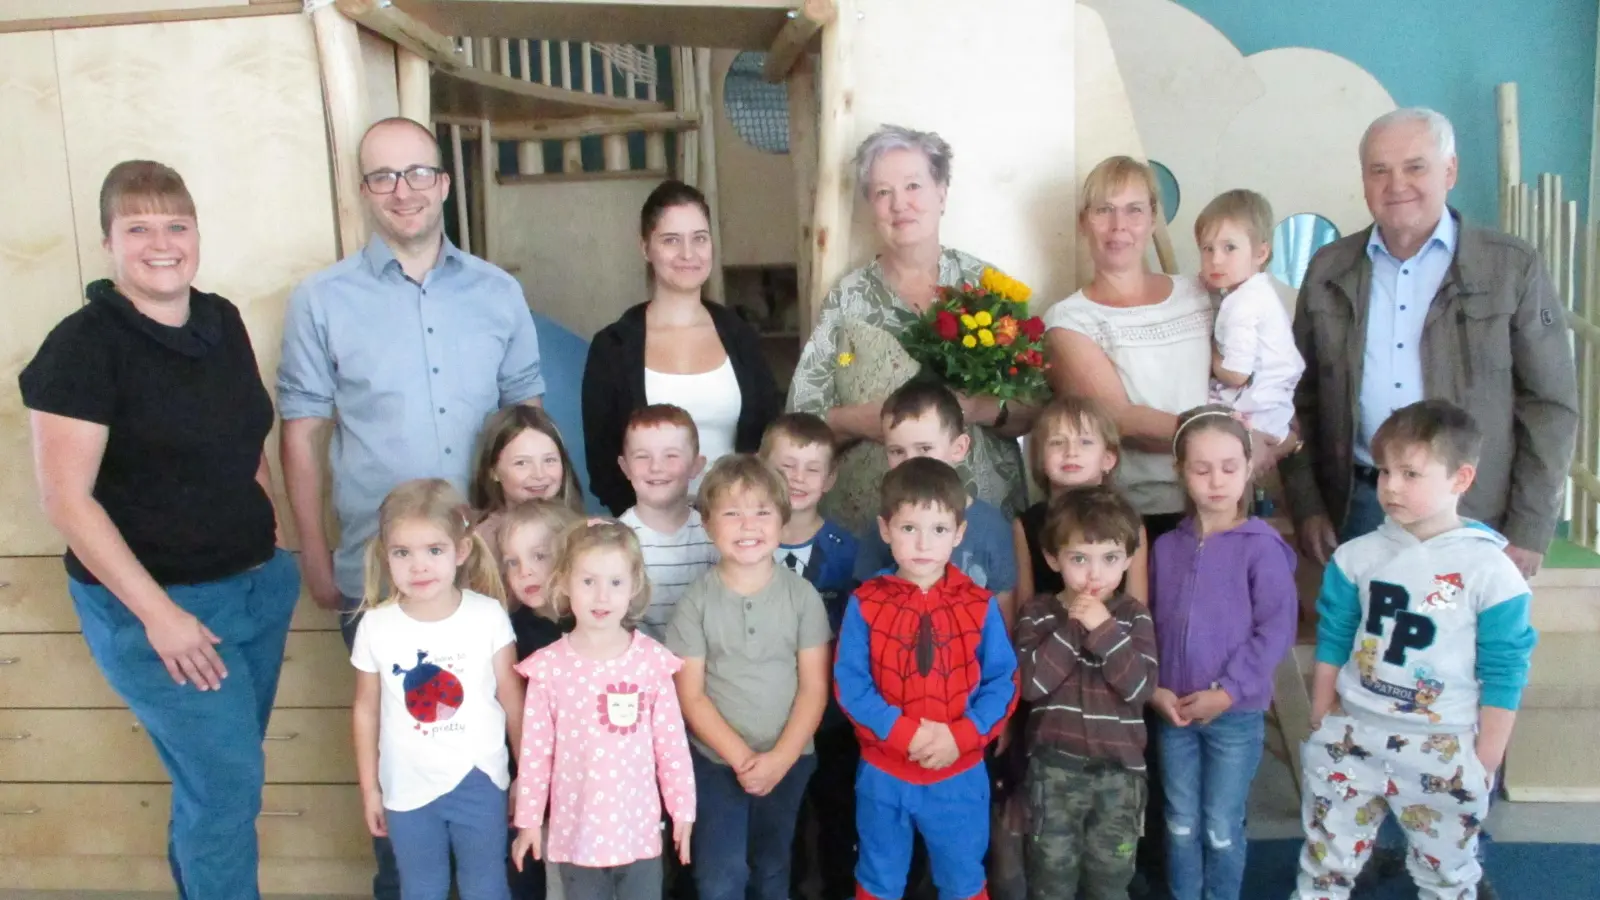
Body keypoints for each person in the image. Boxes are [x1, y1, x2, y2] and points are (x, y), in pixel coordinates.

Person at [19, 160, 301, 900]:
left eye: (176, 224)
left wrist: (270, 536)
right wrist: (162, 617)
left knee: (220, 784)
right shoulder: (82, 346)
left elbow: (247, 438)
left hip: (253, 588)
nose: (161, 243)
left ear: (197, 233)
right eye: (138, 227)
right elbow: (67, 501)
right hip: (162, 614)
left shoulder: (222, 320)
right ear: (108, 241)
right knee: (228, 789)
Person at [1280, 107, 1578, 579]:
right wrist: (1307, 504)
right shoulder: (1328, 269)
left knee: (1465, 651)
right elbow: (1297, 398)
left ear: (1450, 171)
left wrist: (1529, 526)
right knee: (1365, 648)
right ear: (1364, 180)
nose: (1396, 184)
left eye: (1415, 166)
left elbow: (1550, 405)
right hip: (1360, 507)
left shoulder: (1511, 267)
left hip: (1475, 513)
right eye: (1380, 170)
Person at [1291, 399, 1537, 900]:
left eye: (1411, 473)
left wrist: (1486, 754)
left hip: (1442, 745)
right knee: (1324, 867)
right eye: (1383, 471)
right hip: (1353, 733)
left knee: (1446, 873)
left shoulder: (1491, 570)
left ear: (1460, 479)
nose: (1392, 486)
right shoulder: (1356, 556)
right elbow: (1335, 633)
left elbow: (1506, 666)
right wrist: (1321, 709)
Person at [788, 124, 1030, 535]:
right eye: (883, 192)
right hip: (874, 523)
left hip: (980, 522)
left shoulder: (988, 287)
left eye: (914, 186)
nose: (900, 204)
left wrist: (978, 409)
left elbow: (1038, 402)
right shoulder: (847, 299)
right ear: (870, 205)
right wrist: (859, 420)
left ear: (942, 193)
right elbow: (799, 423)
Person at [834, 457, 1019, 900]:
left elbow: (1002, 682)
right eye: (908, 528)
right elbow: (851, 685)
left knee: (963, 880)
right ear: (885, 530)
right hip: (884, 772)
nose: (922, 543)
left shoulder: (979, 604)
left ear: (958, 533)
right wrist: (901, 734)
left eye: (938, 530)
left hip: (959, 773)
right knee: (879, 877)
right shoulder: (864, 603)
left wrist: (963, 736)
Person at [1148, 407, 1299, 900]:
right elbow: (1146, 622)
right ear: (1180, 472)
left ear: (1250, 466)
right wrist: (1155, 689)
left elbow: (1274, 630)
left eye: (1229, 467)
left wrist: (1228, 692)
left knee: (1219, 824)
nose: (1216, 481)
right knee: (1179, 822)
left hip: (1234, 717)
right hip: (1175, 715)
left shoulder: (1262, 546)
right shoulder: (1165, 547)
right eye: (1201, 468)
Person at [665, 455, 832, 900]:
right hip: (717, 762)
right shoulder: (695, 603)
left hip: (790, 759)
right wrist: (741, 759)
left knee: (773, 867)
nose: (748, 525)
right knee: (721, 875)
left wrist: (779, 759)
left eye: (762, 512)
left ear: (781, 520)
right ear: (706, 525)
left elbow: (815, 687)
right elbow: (692, 696)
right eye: (732, 513)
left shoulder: (803, 597)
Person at [350, 479, 523, 900]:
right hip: (406, 786)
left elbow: (514, 701)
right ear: (385, 555)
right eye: (402, 553)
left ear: (460, 551)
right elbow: (365, 711)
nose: (419, 566)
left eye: (434, 550)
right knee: (421, 888)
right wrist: (370, 788)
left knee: (486, 885)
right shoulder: (376, 626)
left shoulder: (488, 616)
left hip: (480, 779)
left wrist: (527, 776)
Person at [510, 521, 696, 900]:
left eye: (615, 582)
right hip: (576, 834)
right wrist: (528, 821)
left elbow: (672, 748)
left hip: (639, 831)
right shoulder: (548, 668)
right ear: (564, 583)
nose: (601, 596)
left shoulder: (651, 663)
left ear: (634, 588)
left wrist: (683, 810)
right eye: (588, 581)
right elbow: (535, 755)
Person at [584, 179, 783, 514]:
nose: (688, 254)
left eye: (699, 239)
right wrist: (656, 531)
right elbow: (603, 467)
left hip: (737, 529)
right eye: (671, 240)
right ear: (645, 247)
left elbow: (768, 440)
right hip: (649, 539)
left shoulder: (740, 337)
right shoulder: (613, 347)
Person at [1014, 486, 1158, 900]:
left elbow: (1141, 688)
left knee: (1110, 882)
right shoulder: (1039, 612)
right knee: (1050, 880)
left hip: (1120, 777)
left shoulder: (1133, 616)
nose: (1094, 575)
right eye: (1080, 559)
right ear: (1053, 559)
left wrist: (1104, 628)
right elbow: (1031, 685)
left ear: (1129, 560)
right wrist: (1076, 623)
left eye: (1110, 559)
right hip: (1052, 772)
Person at [759, 413, 862, 900]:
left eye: (811, 468)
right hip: (768, 716)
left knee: (839, 818)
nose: (798, 480)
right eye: (786, 467)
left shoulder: (849, 552)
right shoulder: (745, 546)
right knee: (782, 829)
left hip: (836, 719)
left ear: (831, 478)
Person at [851, 381, 1017, 625]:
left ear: (959, 448)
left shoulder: (992, 527)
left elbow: (1005, 617)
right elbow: (863, 614)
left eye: (925, 448)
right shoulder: (884, 526)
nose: (910, 462)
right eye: (897, 451)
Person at [498, 499, 582, 900]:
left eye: (538, 556)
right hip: (532, 781)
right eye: (512, 562)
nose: (524, 571)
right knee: (532, 875)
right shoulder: (510, 633)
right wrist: (521, 780)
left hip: (590, 783)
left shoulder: (594, 624)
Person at [1013, 395, 1150, 603]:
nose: (1071, 452)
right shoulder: (1026, 525)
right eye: (1057, 442)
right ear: (1040, 459)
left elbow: (1139, 608)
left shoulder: (1131, 522)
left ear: (1108, 459)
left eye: (1085, 442)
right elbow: (1024, 608)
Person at [1196, 189, 1304, 440]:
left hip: (1256, 416)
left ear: (1261, 253)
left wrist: (1210, 351)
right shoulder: (1258, 291)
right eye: (1207, 248)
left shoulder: (1241, 305)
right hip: (1274, 408)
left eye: (1229, 248)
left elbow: (1236, 374)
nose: (1216, 260)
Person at [617, 405, 719, 640]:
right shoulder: (616, 540)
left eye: (671, 456)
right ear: (625, 467)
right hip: (643, 669)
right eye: (643, 456)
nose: (656, 467)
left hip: (705, 663)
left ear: (696, 466)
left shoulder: (713, 533)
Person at [471, 405, 586, 558]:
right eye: (522, 463)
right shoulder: (482, 541)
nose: (539, 474)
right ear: (493, 471)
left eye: (549, 460)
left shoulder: (582, 530)